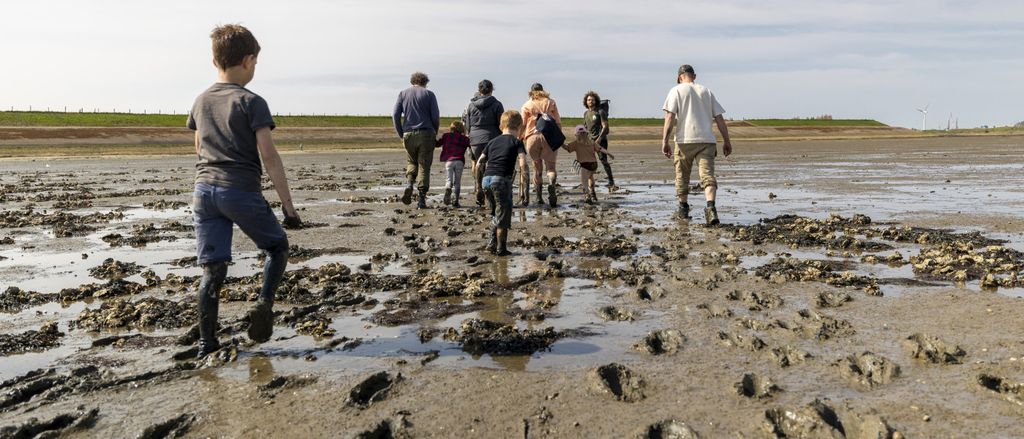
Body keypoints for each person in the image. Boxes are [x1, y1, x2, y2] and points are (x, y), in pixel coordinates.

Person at [186, 24, 301, 357]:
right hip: (239, 190)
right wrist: (289, 208)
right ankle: (263, 305)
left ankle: (207, 344)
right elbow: (269, 157)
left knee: (213, 270)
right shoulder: (252, 102)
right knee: (277, 247)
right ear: (249, 60)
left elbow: (198, 146)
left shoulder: (200, 101)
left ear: (215, 61)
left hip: (203, 191)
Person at [661, 64, 733, 225]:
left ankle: (683, 209)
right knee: (708, 176)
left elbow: (670, 117)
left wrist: (665, 141)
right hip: (707, 140)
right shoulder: (706, 91)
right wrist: (727, 141)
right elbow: (719, 119)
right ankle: (711, 208)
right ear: (694, 76)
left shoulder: (676, 90)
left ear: (680, 77)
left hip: (684, 141)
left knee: (682, 176)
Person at [477, 110, 530, 256]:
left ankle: (491, 243)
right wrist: (525, 186)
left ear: (501, 126)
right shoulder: (517, 142)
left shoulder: (492, 142)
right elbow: (523, 163)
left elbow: (479, 163)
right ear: (519, 127)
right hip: (501, 180)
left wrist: (479, 187)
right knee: (503, 215)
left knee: (496, 213)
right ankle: (501, 249)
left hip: (486, 180)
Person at [393, 71, 440, 209]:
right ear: (425, 82)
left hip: (408, 133)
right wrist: (435, 132)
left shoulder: (403, 94)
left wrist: (401, 133)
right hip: (426, 133)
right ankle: (421, 199)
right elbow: (435, 116)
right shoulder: (429, 94)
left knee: (411, 161)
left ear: (412, 81)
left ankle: (409, 184)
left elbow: (395, 114)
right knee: (424, 165)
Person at [462, 80, 504, 207]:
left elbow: (468, 125)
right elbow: (501, 124)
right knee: (492, 165)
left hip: (475, 139)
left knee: (479, 163)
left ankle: (479, 187)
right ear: (491, 89)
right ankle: (491, 192)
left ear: (479, 90)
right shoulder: (497, 104)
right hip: (493, 137)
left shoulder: (471, 105)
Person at [520, 83, 561, 207]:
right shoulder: (551, 102)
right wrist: (558, 136)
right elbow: (558, 122)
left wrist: (519, 137)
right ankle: (551, 182)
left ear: (531, 91)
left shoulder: (527, 105)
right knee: (551, 167)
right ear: (543, 90)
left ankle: (539, 197)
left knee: (537, 167)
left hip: (532, 137)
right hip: (549, 136)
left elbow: (523, 124)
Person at [562, 125, 614, 204]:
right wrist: (609, 154)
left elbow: (567, 148)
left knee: (584, 182)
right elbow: (600, 149)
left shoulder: (576, 143)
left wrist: (560, 143)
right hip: (594, 165)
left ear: (576, 134)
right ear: (586, 134)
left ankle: (587, 195)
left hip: (585, 165)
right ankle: (593, 193)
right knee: (590, 177)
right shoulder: (591, 142)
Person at [583, 91, 615, 189]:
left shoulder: (600, 112)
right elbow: (585, 128)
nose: (590, 101)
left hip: (601, 141)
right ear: (586, 102)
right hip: (589, 141)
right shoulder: (586, 113)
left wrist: (599, 139)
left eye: (592, 100)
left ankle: (611, 181)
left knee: (603, 161)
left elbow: (606, 127)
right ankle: (588, 181)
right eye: (588, 100)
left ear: (596, 101)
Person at [436, 120, 471, 207]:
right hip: (459, 161)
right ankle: (456, 201)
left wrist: (432, 137)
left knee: (449, 179)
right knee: (457, 182)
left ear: (451, 128)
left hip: (449, 161)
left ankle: (448, 188)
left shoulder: (446, 136)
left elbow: (437, 144)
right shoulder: (464, 138)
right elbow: (471, 145)